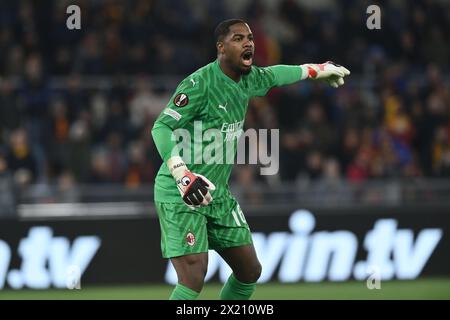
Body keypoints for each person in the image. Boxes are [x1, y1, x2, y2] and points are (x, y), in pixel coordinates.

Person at [151, 19, 350, 300]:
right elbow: (161, 127)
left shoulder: (250, 79)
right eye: (238, 38)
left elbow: (277, 74)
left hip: (217, 195)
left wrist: (315, 70)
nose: (248, 43)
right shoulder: (199, 84)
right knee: (194, 276)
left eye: (250, 37)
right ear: (221, 48)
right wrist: (181, 173)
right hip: (181, 191)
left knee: (249, 270)